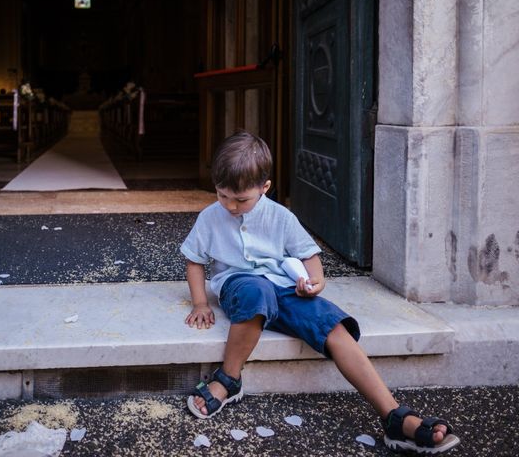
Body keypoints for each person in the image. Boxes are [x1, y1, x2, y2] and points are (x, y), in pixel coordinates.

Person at [180, 131, 460, 454]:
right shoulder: (210, 218)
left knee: (333, 324)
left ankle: (393, 415)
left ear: (264, 188)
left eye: (240, 199)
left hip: (284, 289)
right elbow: (195, 261)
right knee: (256, 291)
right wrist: (201, 302)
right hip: (239, 285)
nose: (230, 205)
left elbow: (308, 255)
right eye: (222, 195)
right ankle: (229, 379)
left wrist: (315, 282)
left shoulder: (281, 217)